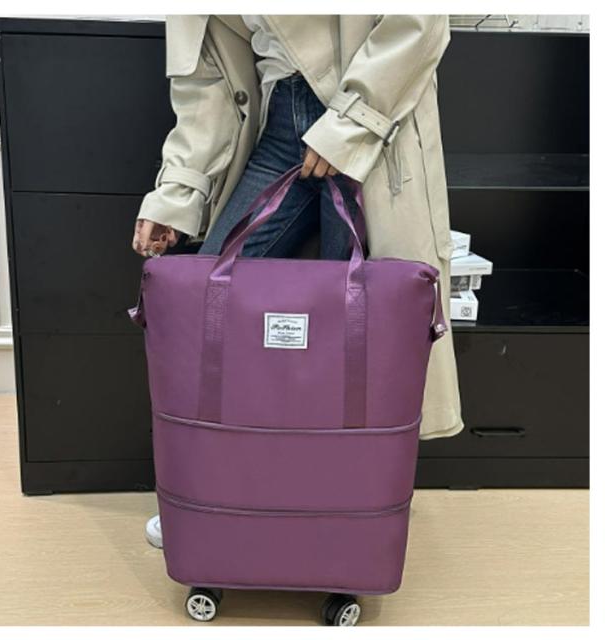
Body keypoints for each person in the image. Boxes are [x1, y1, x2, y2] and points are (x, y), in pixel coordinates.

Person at [131, 15, 463, 549]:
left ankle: (342, 509)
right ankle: (214, 499)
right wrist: (177, 193)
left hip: (369, 112)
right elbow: (206, 83)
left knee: (352, 347)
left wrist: (349, 126)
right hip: (279, 119)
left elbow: (418, 21)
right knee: (209, 312)